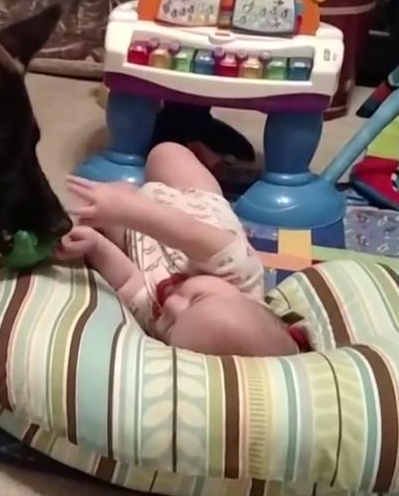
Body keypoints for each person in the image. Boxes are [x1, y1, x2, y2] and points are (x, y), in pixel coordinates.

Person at [57, 142, 308, 356]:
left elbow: (128, 283)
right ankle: (214, 161)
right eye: (197, 298)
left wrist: (96, 245)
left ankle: (123, 201)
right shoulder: (240, 272)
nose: (172, 305)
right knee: (166, 153)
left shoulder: (163, 320)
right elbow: (187, 231)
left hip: (137, 234)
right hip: (189, 203)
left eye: (171, 327)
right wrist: (127, 209)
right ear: (244, 297)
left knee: (104, 202)